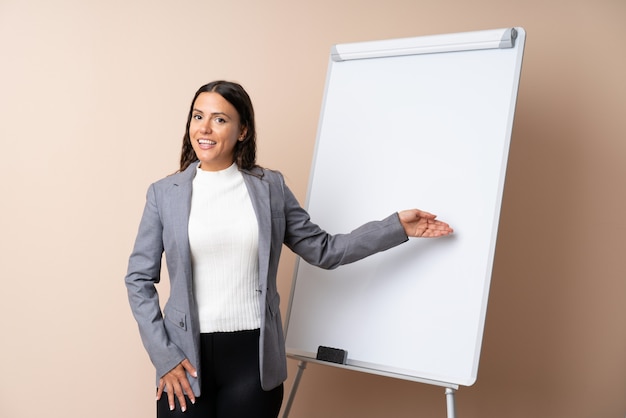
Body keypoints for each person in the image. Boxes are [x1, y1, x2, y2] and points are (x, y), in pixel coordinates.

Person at [125, 80, 453, 418]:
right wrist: (164, 356)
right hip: (185, 360)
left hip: (253, 363)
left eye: (220, 119)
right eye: (198, 116)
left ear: (242, 131)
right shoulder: (164, 194)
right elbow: (138, 279)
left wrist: (395, 227)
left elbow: (324, 250)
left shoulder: (270, 188)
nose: (204, 128)